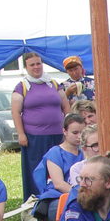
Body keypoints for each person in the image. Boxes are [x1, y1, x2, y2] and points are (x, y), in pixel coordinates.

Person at [10, 50, 71, 202]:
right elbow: (16, 112)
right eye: (32, 65)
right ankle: (36, 201)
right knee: (37, 171)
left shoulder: (53, 84)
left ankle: (59, 199)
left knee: (59, 167)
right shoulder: (22, 87)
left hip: (57, 135)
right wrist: (21, 134)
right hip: (35, 138)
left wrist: (69, 129)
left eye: (38, 63)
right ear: (26, 67)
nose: (36, 67)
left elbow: (66, 107)